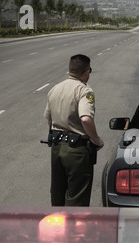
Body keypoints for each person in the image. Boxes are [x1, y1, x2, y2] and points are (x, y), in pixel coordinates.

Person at [44, 54, 104, 206]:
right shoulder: (84, 91)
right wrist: (96, 140)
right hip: (76, 151)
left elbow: (49, 119)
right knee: (77, 196)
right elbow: (85, 118)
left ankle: (58, 226)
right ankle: (73, 229)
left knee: (57, 193)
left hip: (57, 148)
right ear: (86, 72)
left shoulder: (55, 89)